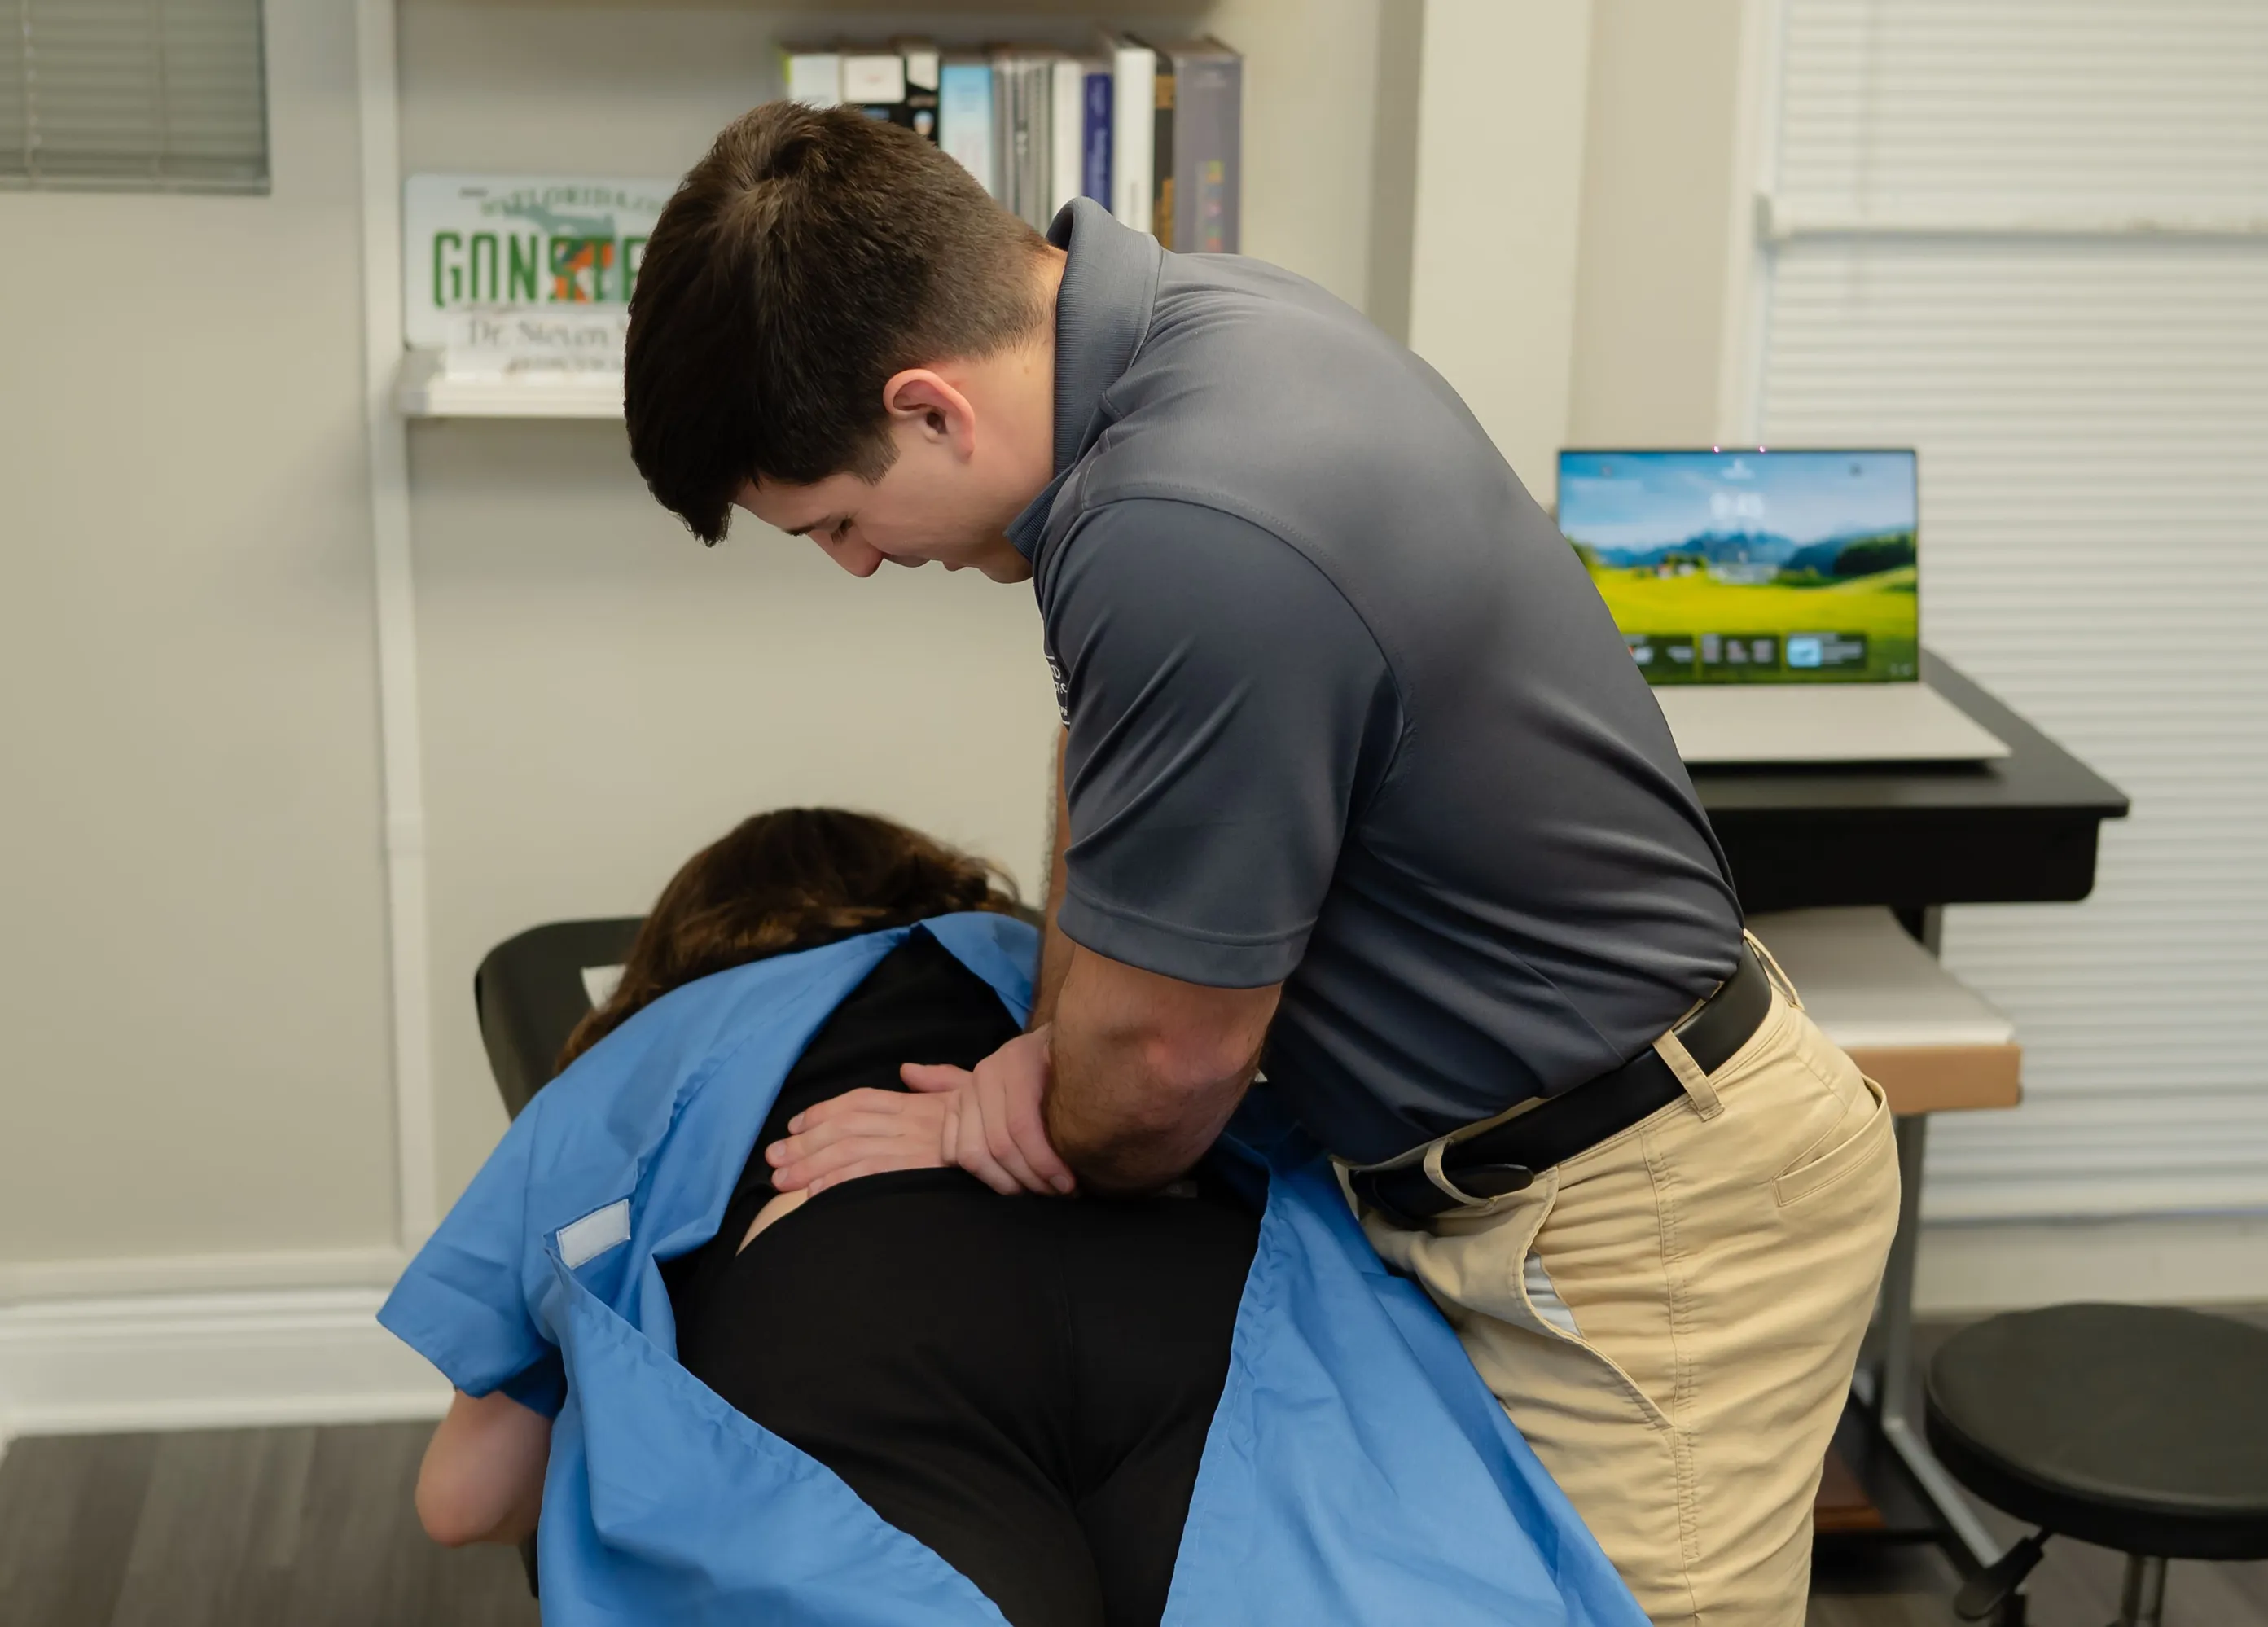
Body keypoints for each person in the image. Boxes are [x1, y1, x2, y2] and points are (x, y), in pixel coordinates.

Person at [621, 102, 1901, 1627]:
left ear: (928, 408)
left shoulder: (1179, 523)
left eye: (835, 518)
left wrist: (1009, 1101)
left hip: (1645, 1224)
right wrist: (1053, 1038)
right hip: (1519, 1166)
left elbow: (1159, 1083)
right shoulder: (1183, 339)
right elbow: (1114, 753)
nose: (853, 563)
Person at [413, 809, 1257, 1627]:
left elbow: (462, 1500)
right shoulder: (1049, 970)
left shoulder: (652, 1046)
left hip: (868, 1298)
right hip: (1184, 1283)